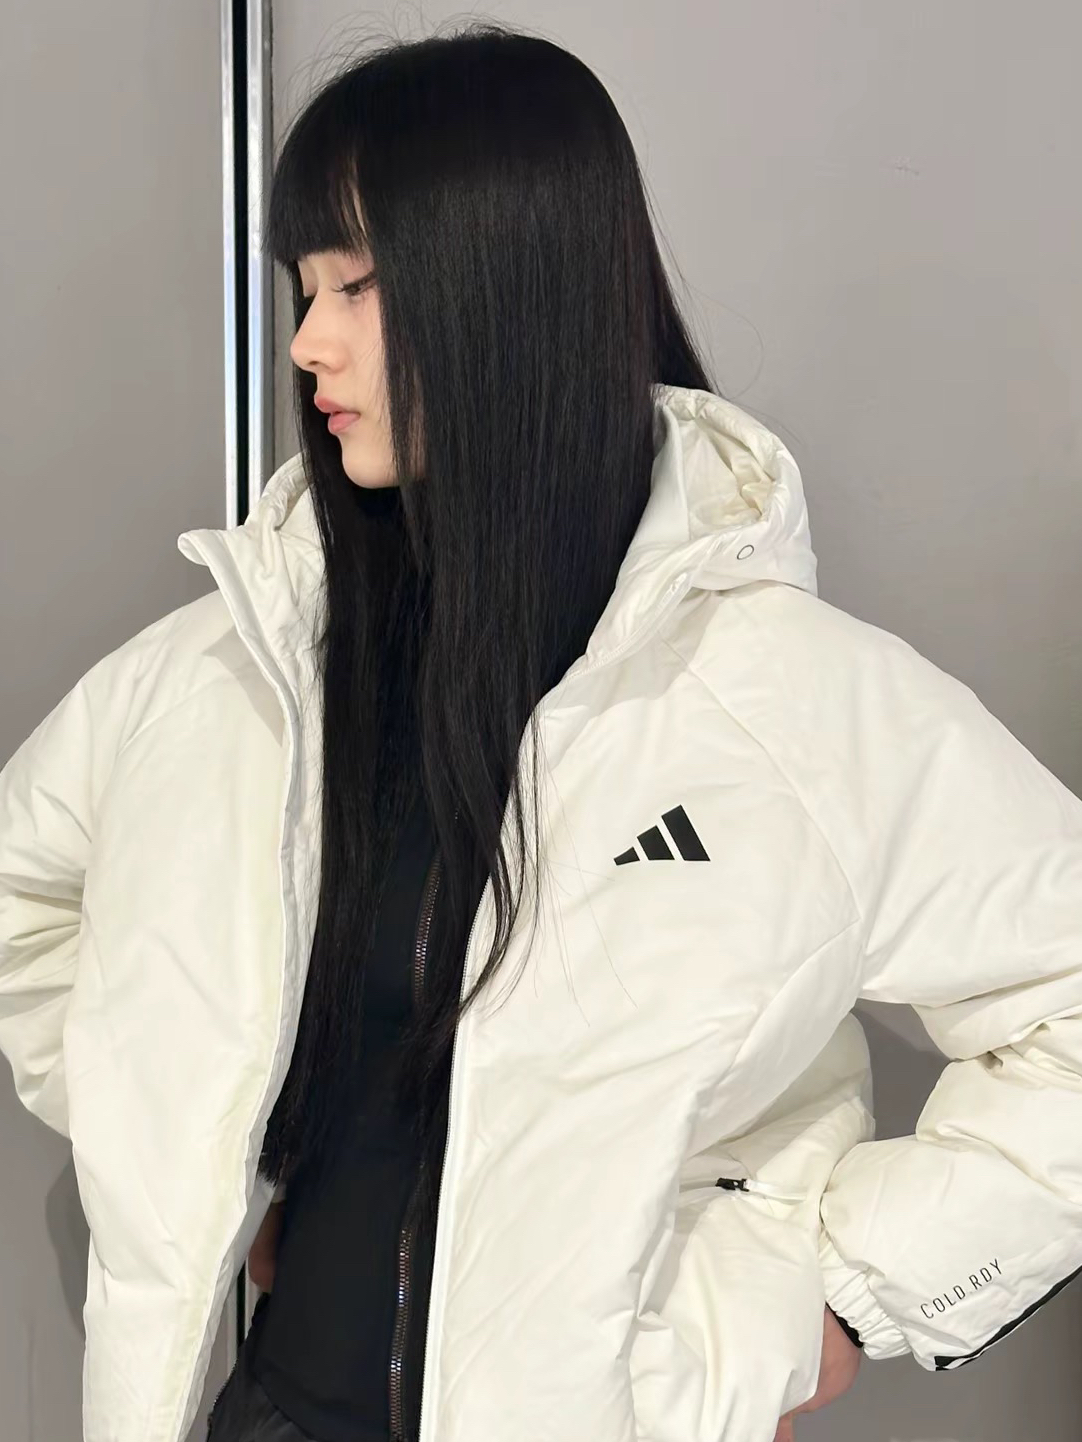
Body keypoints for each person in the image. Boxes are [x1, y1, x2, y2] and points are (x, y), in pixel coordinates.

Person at [2, 19, 1081, 1442]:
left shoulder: (787, 703)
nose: (308, 342)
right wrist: (201, 1161)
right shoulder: (231, 675)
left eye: (357, 284)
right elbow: (25, 897)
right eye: (303, 288)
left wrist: (847, 1301)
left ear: (515, 280)